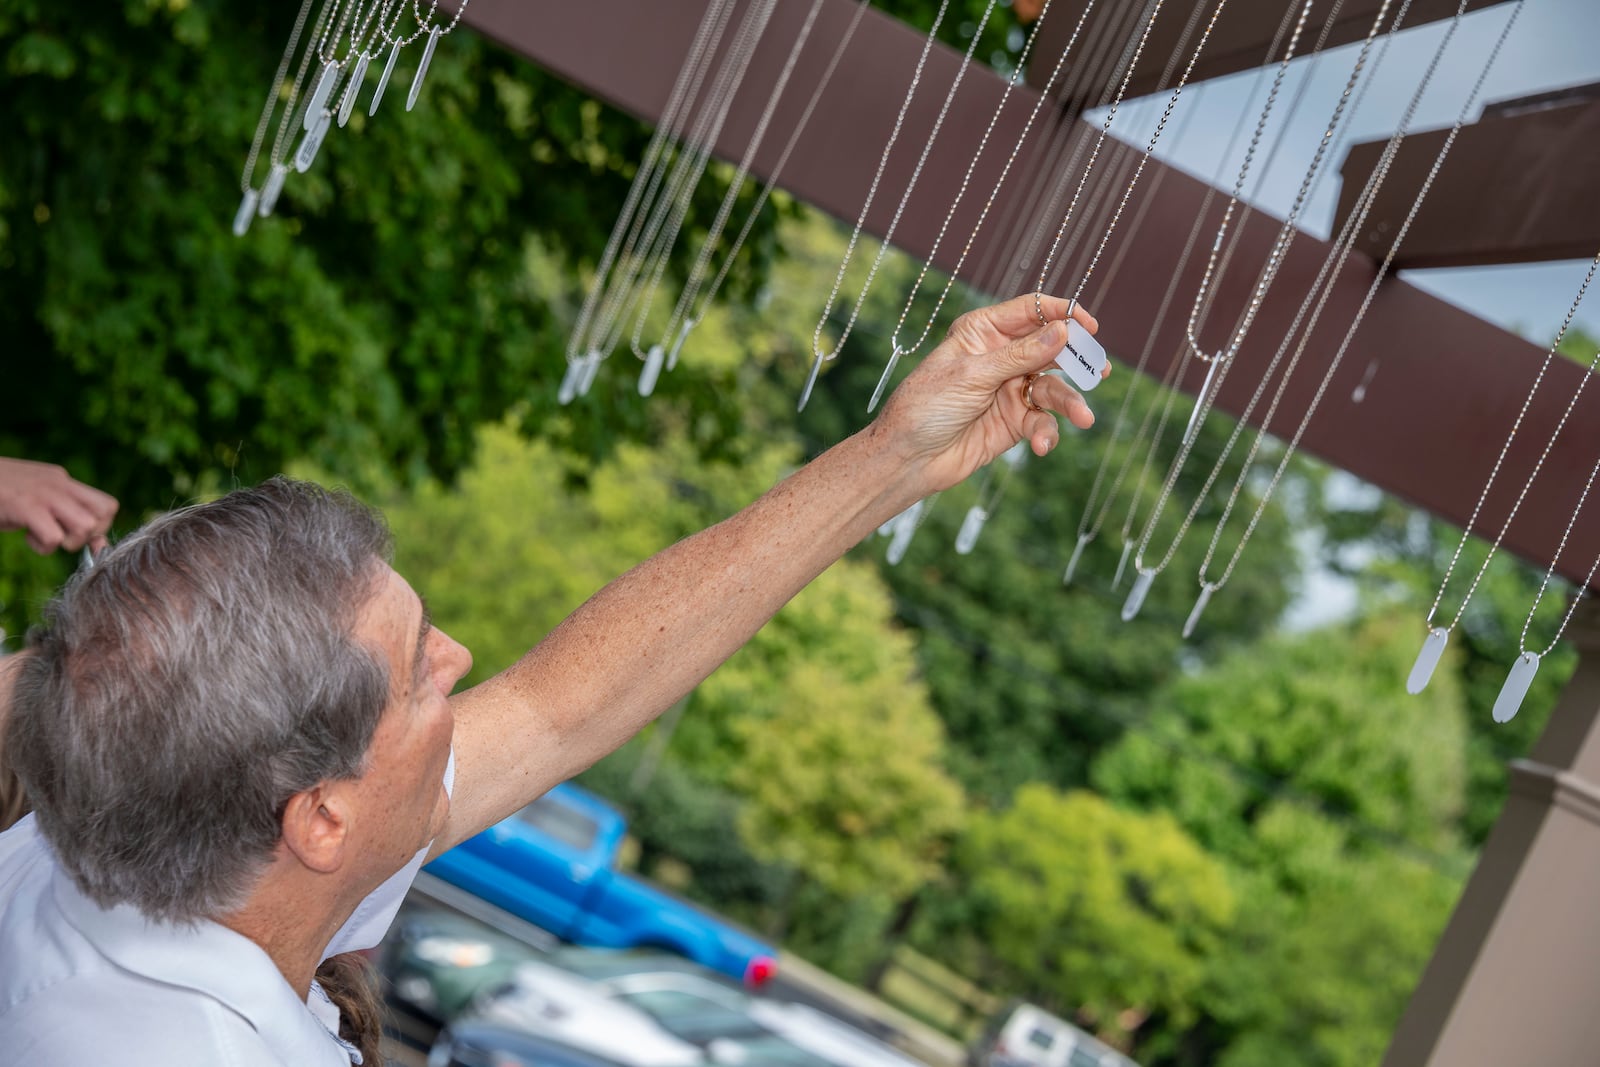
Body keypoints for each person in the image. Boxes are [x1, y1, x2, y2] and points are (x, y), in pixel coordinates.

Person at [0, 294, 1102, 1065]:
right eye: (420, 672)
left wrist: (899, 451)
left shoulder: (138, 844)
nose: (463, 664)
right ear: (321, 817)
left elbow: (559, 702)